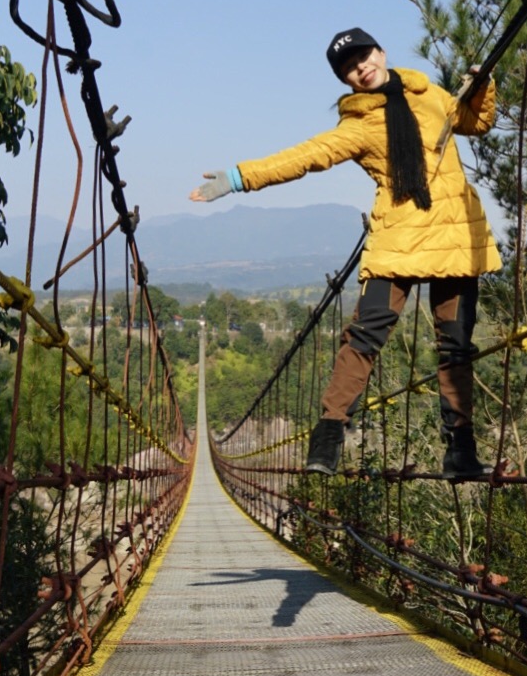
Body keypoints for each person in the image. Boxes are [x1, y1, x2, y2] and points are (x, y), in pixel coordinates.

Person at [189, 28, 502, 480]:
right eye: (350, 66)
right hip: (398, 238)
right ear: (346, 79)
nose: (362, 67)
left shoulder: (429, 93)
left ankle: (460, 450)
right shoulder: (356, 126)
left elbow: (474, 121)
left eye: (365, 56)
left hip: (455, 237)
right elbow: (306, 156)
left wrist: (482, 88)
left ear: (381, 52)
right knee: (365, 335)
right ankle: (329, 436)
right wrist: (240, 177)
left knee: (456, 347)